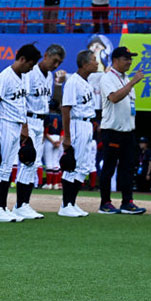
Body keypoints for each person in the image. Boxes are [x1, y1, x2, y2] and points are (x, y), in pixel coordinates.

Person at [0, 44, 41, 222]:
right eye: (30, 64)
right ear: (22, 59)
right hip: (3, 124)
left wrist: (24, 126)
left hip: (16, 125)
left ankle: (3, 207)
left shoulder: (23, 77)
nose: (31, 68)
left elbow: (21, 104)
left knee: (7, 169)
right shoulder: (5, 76)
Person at [16, 44, 65, 214]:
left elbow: (52, 101)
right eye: (54, 60)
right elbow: (21, 100)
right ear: (46, 55)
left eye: (59, 62)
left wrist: (59, 84)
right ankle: (20, 205)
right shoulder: (31, 73)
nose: (56, 65)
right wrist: (24, 125)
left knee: (34, 163)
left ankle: (24, 204)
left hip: (40, 120)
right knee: (27, 162)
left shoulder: (50, 76)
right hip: (29, 119)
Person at [97, 46, 146, 215]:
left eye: (131, 58)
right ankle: (105, 203)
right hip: (112, 130)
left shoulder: (125, 78)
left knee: (128, 168)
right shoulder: (107, 78)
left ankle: (127, 202)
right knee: (109, 167)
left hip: (127, 131)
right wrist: (133, 82)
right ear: (116, 60)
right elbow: (114, 98)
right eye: (126, 58)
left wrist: (130, 81)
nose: (130, 62)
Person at [58, 50, 99, 218]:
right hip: (76, 124)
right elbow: (66, 109)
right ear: (84, 64)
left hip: (87, 124)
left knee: (83, 166)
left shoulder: (86, 82)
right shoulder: (73, 82)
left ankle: (72, 203)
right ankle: (66, 205)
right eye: (94, 60)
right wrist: (67, 136)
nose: (97, 63)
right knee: (72, 166)